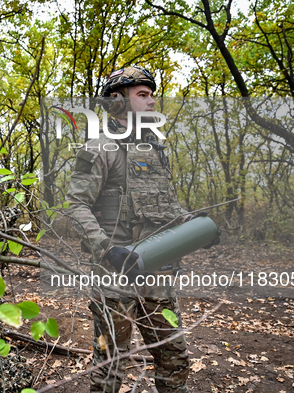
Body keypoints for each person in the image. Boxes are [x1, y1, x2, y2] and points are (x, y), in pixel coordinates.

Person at [65, 66, 193, 393]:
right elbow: (75, 205)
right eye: (143, 95)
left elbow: (164, 206)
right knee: (110, 362)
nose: (152, 102)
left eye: (151, 94)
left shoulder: (155, 151)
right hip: (115, 274)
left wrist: (193, 225)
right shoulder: (98, 149)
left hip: (157, 271)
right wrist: (108, 250)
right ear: (118, 102)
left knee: (174, 356)